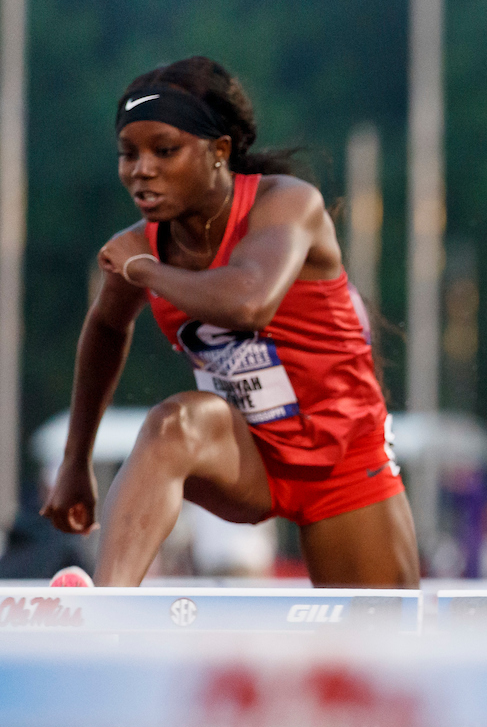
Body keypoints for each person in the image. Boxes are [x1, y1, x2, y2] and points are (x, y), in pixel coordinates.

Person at [40, 56, 420, 588]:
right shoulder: (142, 248)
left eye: (164, 150)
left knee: (384, 644)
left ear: (219, 151)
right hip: (249, 457)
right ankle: (106, 611)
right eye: (129, 154)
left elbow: (249, 302)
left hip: (343, 457)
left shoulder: (287, 205)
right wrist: (75, 461)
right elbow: (105, 328)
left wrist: (144, 270)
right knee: (174, 424)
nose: (141, 169)